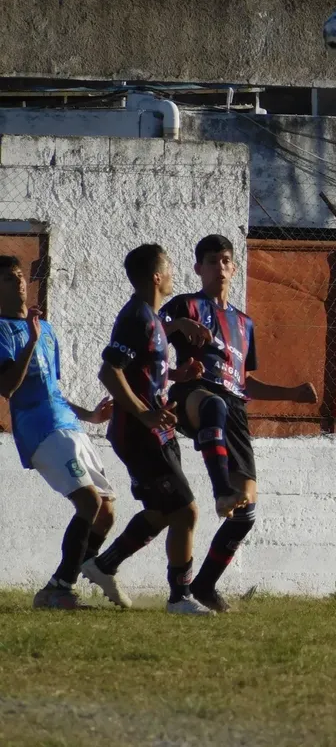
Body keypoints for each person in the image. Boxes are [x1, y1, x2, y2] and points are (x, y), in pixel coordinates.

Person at [159, 234, 317, 613]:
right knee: (212, 403)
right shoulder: (186, 305)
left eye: (226, 260)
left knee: (246, 512)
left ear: (234, 267)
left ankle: (205, 585)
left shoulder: (245, 323)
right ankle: (219, 492)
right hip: (194, 394)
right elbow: (148, 331)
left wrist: (292, 393)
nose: (220, 267)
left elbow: (245, 382)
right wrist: (179, 323)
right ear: (199, 268)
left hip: (234, 409)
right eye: (211, 261)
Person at [80, 243, 216, 615]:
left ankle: (103, 565)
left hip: (157, 429)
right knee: (186, 512)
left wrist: (175, 375)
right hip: (139, 434)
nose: (174, 273)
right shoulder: (136, 317)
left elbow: (143, 369)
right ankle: (180, 598)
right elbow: (110, 371)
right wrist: (143, 413)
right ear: (157, 276)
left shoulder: (152, 318)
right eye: (170, 267)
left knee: (161, 511)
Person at [0, 256, 118, 610]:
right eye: (8, 279)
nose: (19, 282)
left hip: (67, 425)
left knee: (107, 510)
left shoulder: (45, 329)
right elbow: (8, 388)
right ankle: (60, 589)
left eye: (20, 276)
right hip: (39, 430)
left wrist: (91, 416)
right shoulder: (5, 331)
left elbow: (52, 389)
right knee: (88, 502)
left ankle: (67, 576)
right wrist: (30, 342)